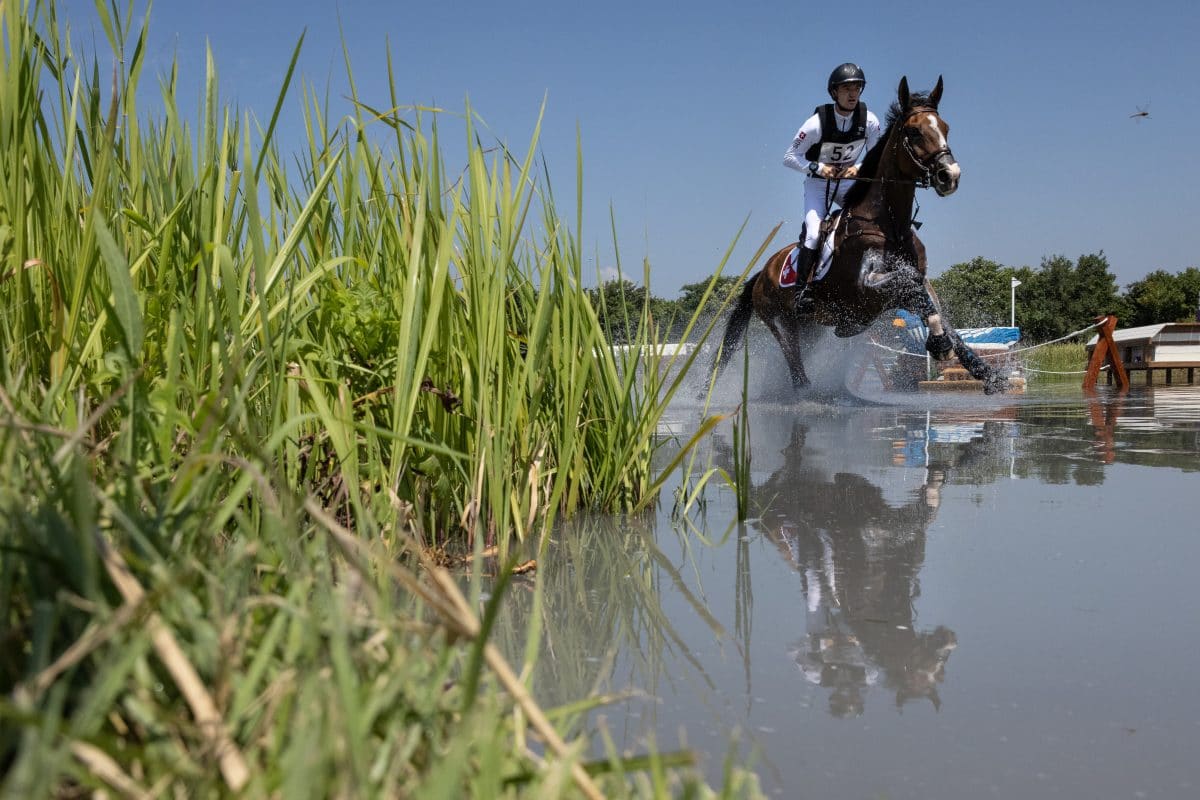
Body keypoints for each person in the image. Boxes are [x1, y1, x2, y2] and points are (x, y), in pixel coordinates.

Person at [783, 63, 882, 312]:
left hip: (848, 183)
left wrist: (858, 169)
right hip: (819, 185)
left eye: (857, 88)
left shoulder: (869, 121)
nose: (852, 94)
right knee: (815, 232)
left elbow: (876, 157)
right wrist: (817, 167)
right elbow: (790, 157)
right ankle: (802, 292)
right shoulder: (816, 123)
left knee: (872, 221)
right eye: (846, 88)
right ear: (834, 92)